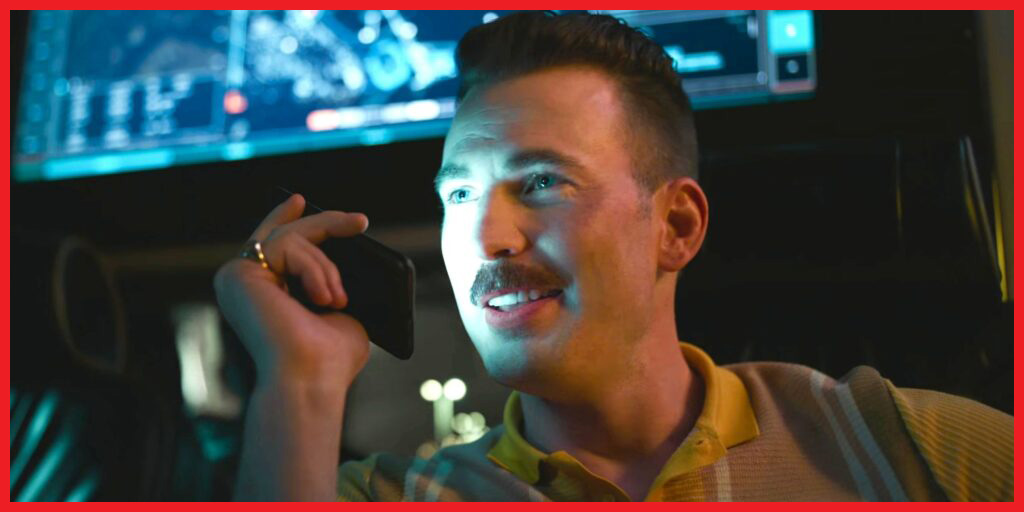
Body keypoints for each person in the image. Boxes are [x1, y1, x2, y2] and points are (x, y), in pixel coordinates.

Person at [214, 11, 1013, 501]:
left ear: (677, 226)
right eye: (459, 193)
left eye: (540, 182)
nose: (486, 237)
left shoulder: (907, 450)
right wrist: (300, 384)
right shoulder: (387, 497)